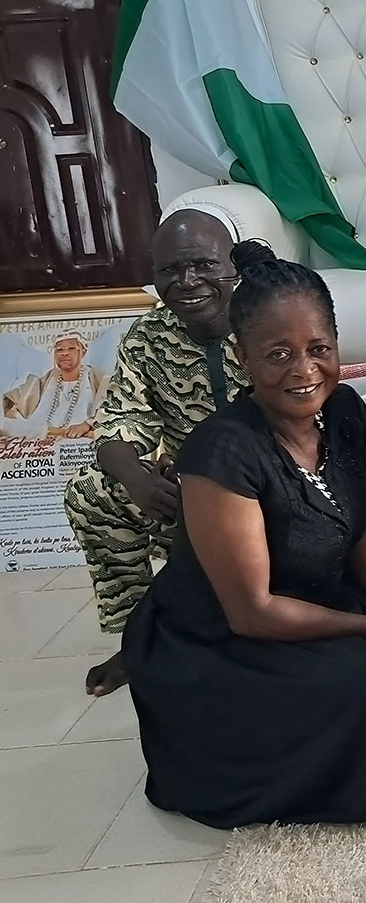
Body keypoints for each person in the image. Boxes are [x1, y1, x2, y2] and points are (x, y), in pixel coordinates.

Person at [123, 240, 366, 827]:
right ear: (243, 357)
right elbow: (253, 612)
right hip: (220, 641)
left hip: (314, 592)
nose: (304, 370)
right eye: (278, 354)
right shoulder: (221, 452)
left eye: (319, 348)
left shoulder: (342, 409)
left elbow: (360, 533)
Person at [64, 210, 249, 697]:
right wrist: (137, 478)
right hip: (188, 494)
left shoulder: (269, 318)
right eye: (170, 271)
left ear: (233, 265)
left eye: (204, 265)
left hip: (272, 490)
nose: (188, 282)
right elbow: (119, 421)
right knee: (92, 494)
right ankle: (141, 638)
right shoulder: (149, 336)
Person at [0, 333, 108, 439]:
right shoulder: (44, 381)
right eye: (60, 349)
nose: (65, 353)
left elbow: (110, 408)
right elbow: (12, 407)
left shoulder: (96, 378)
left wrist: (87, 424)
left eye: (71, 348)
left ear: (83, 352)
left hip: (78, 443)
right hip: (41, 441)